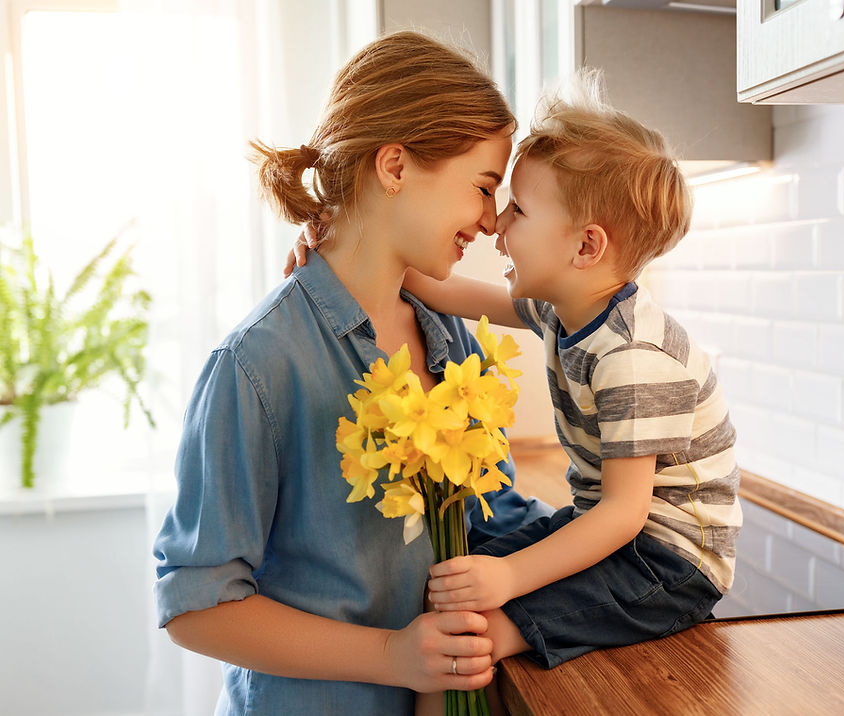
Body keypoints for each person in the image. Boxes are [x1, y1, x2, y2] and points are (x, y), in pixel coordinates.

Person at [152, 31, 551, 714]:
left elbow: (490, 520)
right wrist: (393, 658)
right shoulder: (258, 364)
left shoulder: (450, 340)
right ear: (394, 165)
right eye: (484, 187)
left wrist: (620, 540)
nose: (490, 221)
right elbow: (196, 607)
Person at [388, 73, 742, 669]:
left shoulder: (633, 359)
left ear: (585, 247)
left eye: (519, 210)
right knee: (455, 581)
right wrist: (353, 245)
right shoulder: (565, 309)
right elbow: (453, 294)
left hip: (667, 564)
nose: (497, 223)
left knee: (478, 630)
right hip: (608, 532)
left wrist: (509, 577)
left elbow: (625, 516)